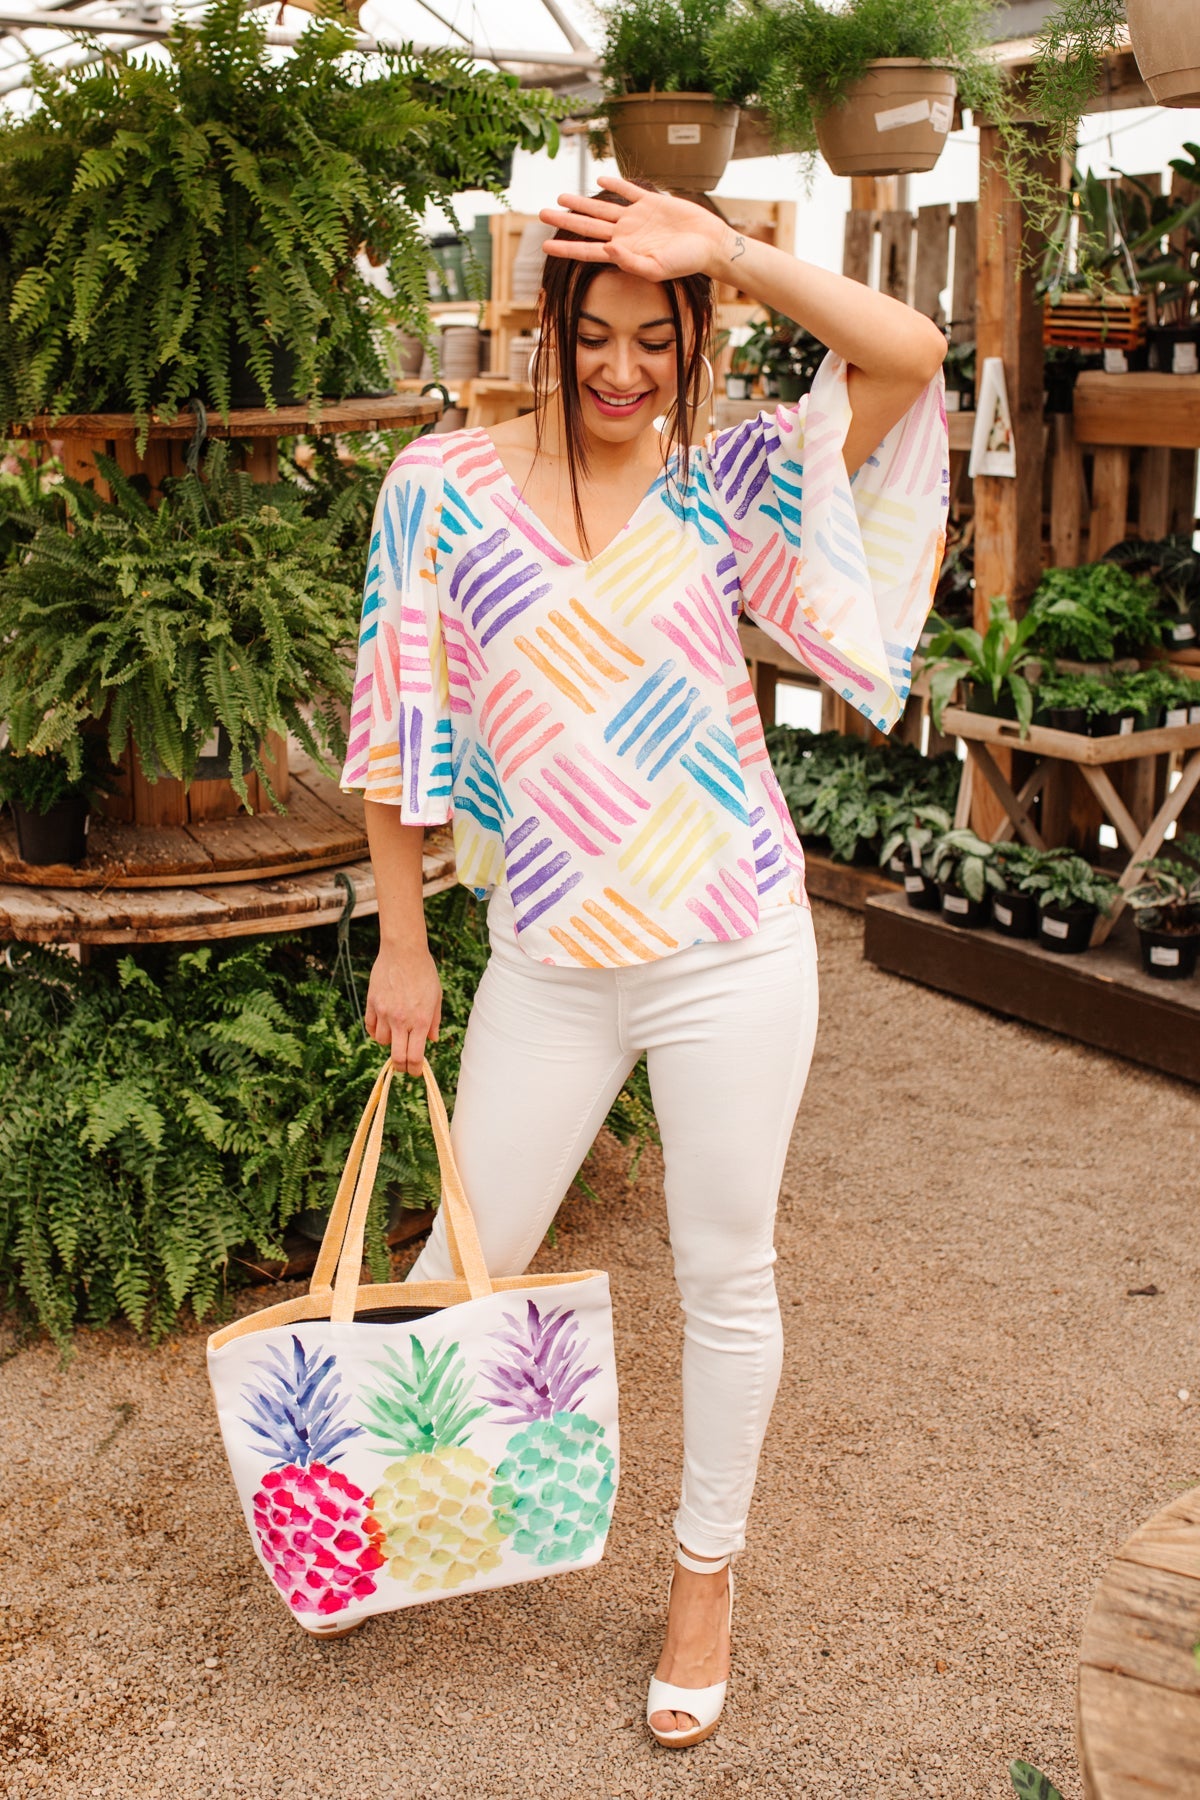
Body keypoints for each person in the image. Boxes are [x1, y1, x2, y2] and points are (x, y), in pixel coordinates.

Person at [341, 176, 948, 1749]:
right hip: (549, 955)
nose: (624, 371)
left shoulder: (723, 481)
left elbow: (909, 355)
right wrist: (403, 942)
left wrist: (728, 249)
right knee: (459, 1259)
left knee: (725, 1270)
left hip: (732, 942)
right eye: (597, 335)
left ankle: (701, 1582)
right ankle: (395, 1510)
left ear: (693, 347)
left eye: (657, 342)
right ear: (549, 329)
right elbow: (391, 722)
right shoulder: (440, 487)